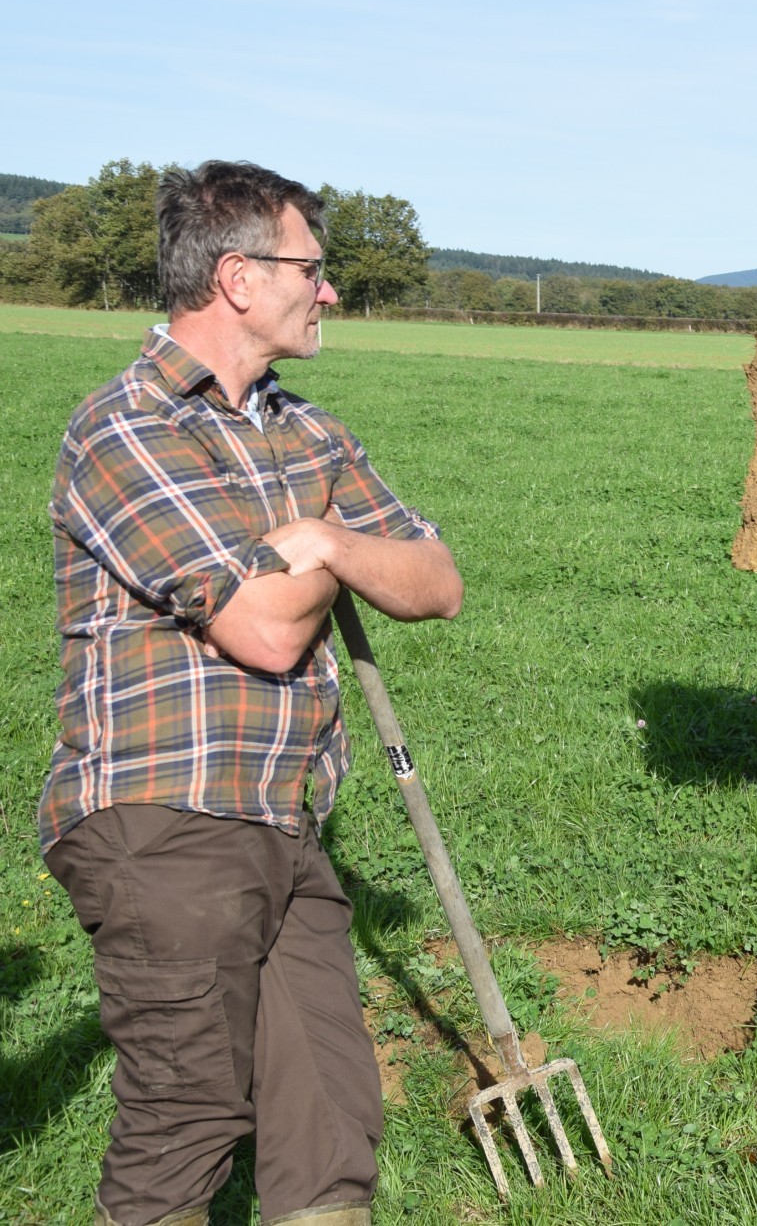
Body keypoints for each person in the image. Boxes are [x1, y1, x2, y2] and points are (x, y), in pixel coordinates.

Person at [40, 161, 463, 1225]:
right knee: (185, 1113)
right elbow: (267, 632)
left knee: (329, 1119)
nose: (329, 293)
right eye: (311, 269)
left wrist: (319, 538)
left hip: (289, 819)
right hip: (165, 821)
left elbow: (439, 582)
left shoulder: (308, 434)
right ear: (236, 276)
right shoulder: (126, 428)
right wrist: (355, 552)